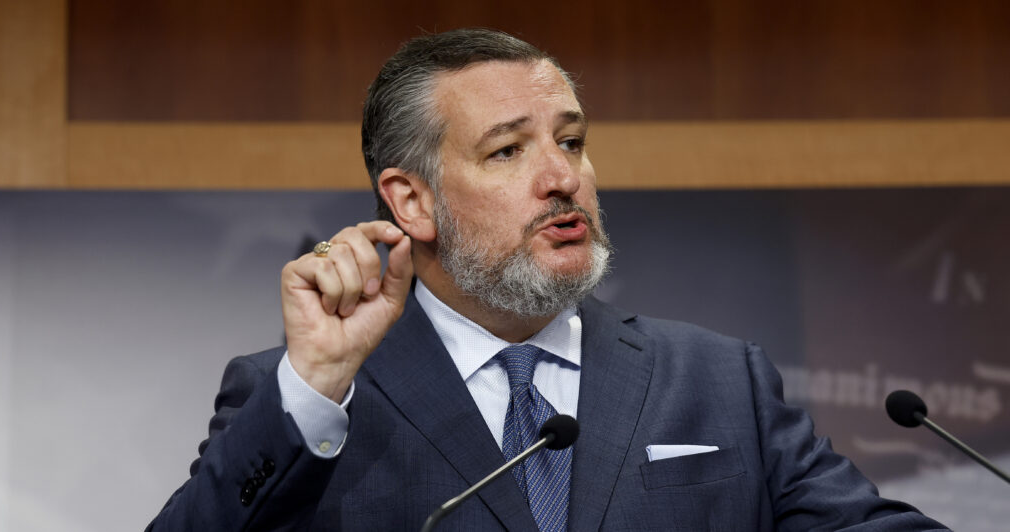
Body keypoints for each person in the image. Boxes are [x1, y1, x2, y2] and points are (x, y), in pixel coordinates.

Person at [149, 28, 946, 531]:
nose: (562, 177)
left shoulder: (717, 379)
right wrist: (316, 386)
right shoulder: (306, 396)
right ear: (412, 201)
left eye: (572, 140)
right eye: (508, 152)